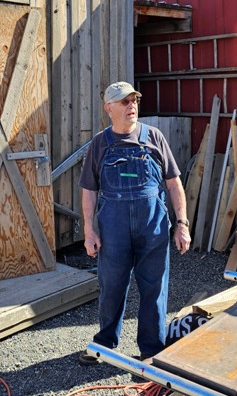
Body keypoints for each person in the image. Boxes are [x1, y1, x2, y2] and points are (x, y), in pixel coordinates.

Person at [78, 81, 191, 365]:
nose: (132, 106)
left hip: (152, 227)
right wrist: (89, 230)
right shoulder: (100, 144)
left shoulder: (155, 137)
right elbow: (89, 190)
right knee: (111, 285)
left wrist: (182, 223)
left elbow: (174, 183)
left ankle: (151, 349)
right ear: (108, 108)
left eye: (134, 100)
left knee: (154, 287)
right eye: (124, 101)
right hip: (113, 228)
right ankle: (104, 344)